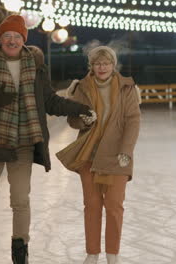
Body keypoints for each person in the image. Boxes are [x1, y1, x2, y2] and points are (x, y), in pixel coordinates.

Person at [0, 15, 93, 264]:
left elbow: (49, 101)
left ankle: (20, 251)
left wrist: (78, 108)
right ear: (0, 39)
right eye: (7, 36)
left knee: (21, 200)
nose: (12, 40)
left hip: (23, 144)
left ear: (24, 40)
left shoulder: (34, 65)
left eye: (17, 37)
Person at [56, 46, 141, 264]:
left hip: (116, 155)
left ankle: (112, 254)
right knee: (92, 204)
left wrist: (126, 151)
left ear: (114, 65)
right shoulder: (81, 88)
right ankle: (92, 253)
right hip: (89, 154)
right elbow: (72, 119)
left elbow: (133, 120)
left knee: (114, 205)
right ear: (91, 66)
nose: (102, 67)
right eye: (97, 63)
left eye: (106, 63)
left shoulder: (127, 88)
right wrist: (82, 120)